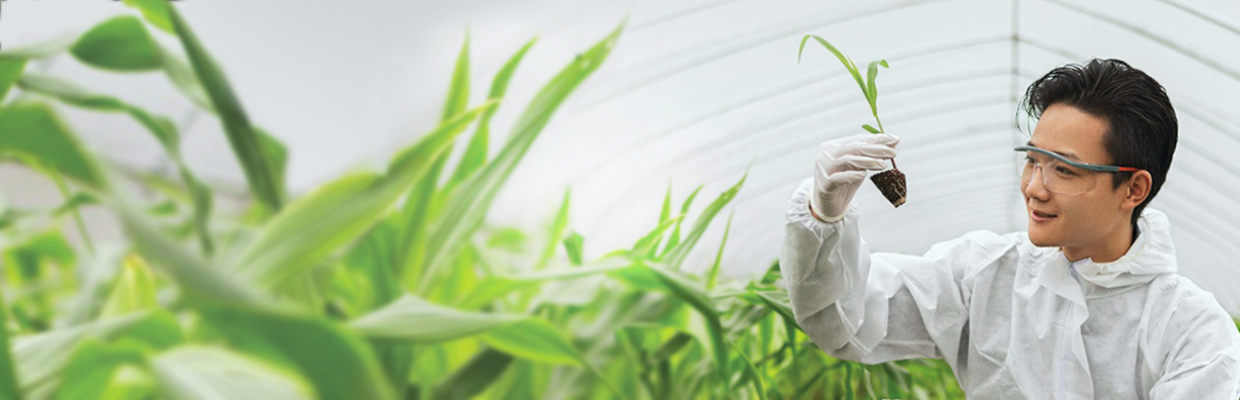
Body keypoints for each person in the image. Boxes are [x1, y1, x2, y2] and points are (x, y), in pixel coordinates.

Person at [779, 58, 1240, 399]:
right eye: (1032, 161)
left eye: (1064, 171)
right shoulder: (985, 274)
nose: (1035, 189)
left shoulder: (1191, 330)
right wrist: (822, 219)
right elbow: (848, 324)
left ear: (1133, 189)